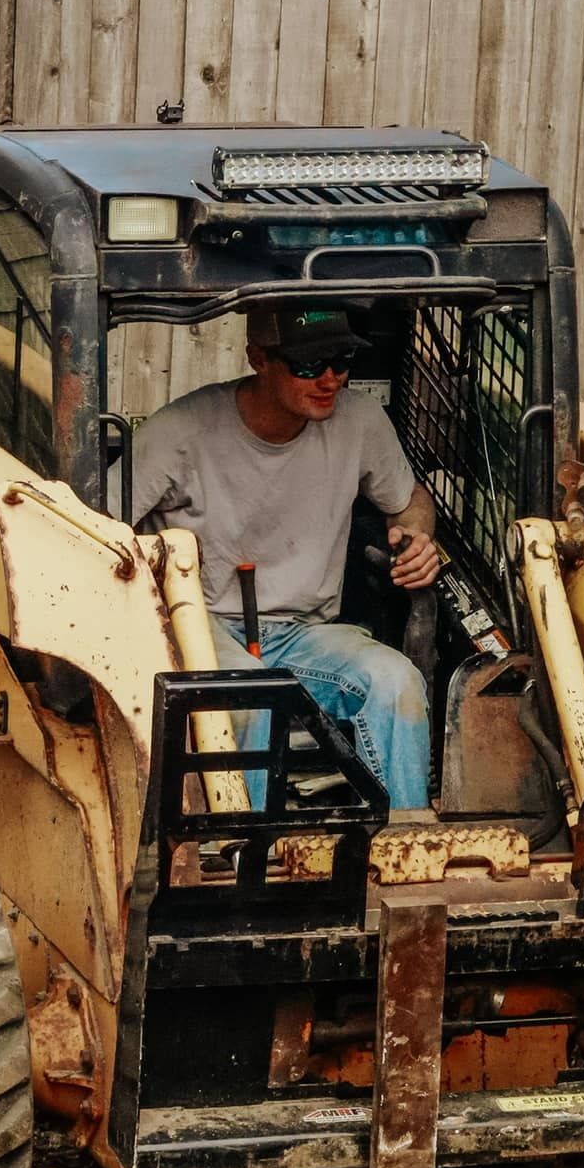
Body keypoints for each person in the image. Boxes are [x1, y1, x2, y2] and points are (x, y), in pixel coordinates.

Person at [133, 303, 437, 811]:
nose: (329, 380)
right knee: (249, 695)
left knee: (396, 680)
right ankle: (250, 858)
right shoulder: (177, 433)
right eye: (307, 365)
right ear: (258, 358)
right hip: (200, 624)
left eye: (340, 362)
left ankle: (401, 850)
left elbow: (411, 501)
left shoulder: (359, 422)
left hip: (305, 629)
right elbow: (97, 529)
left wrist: (416, 538)